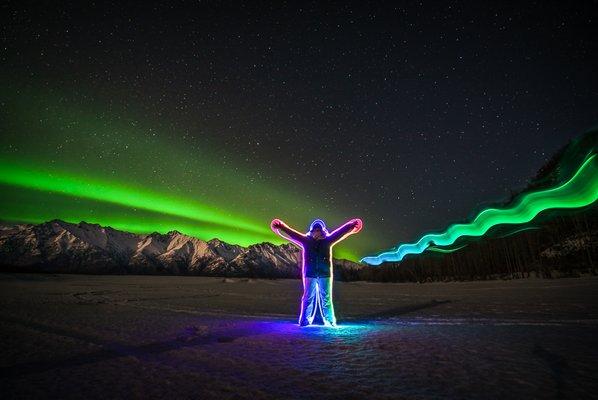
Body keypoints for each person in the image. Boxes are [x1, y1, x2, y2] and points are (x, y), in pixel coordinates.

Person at [270, 217, 363, 327]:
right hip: (313, 274)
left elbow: (339, 233)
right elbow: (293, 234)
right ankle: (309, 321)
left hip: (320, 274)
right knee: (312, 298)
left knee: (319, 298)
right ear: (313, 230)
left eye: (318, 229)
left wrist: (351, 225)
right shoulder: (309, 240)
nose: (317, 231)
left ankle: (326, 321)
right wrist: (281, 226)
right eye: (316, 229)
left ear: (322, 230)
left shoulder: (325, 240)